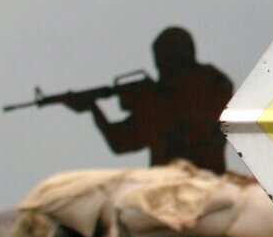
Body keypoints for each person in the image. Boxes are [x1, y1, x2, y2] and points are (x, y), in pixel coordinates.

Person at [68, 27, 234, 174]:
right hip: (206, 178)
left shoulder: (162, 101)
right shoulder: (214, 81)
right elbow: (120, 141)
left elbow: (119, 141)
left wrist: (93, 108)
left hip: (175, 183)